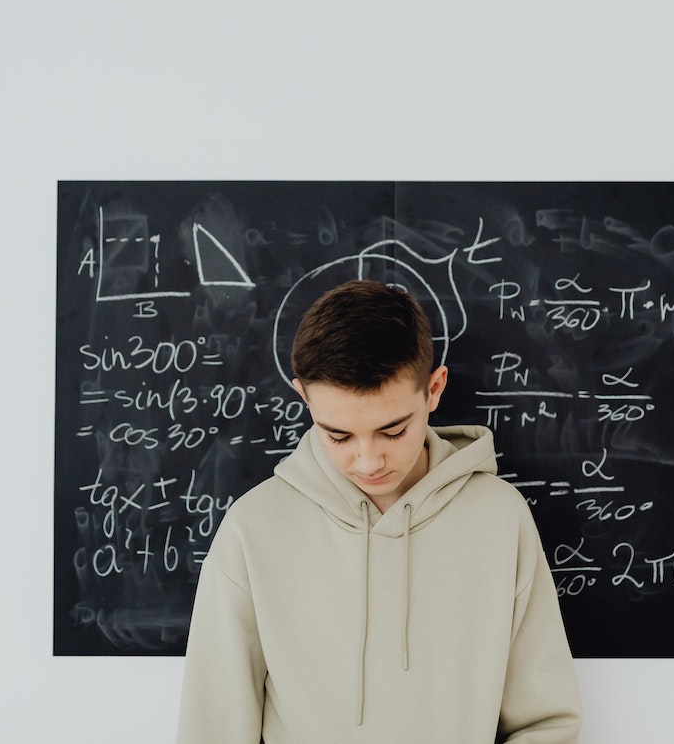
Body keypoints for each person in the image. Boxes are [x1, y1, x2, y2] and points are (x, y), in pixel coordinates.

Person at [177, 279, 582, 743]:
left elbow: (546, 722)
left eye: (392, 431)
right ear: (304, 398)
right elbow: (213, 728)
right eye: (338, 435)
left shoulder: (500, 520)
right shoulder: (254, 528)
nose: (368, 461)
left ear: (434, 389)